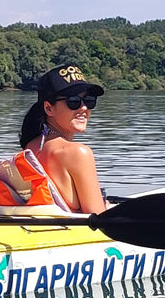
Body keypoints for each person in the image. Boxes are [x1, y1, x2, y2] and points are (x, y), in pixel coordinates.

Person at [17, 64, 107, 214]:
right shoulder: (78, 153)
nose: (84, 108)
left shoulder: (30, 147)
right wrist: (104, 206)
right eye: (73, 101)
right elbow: (99, 219)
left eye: (89, 100)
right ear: (49, 108)